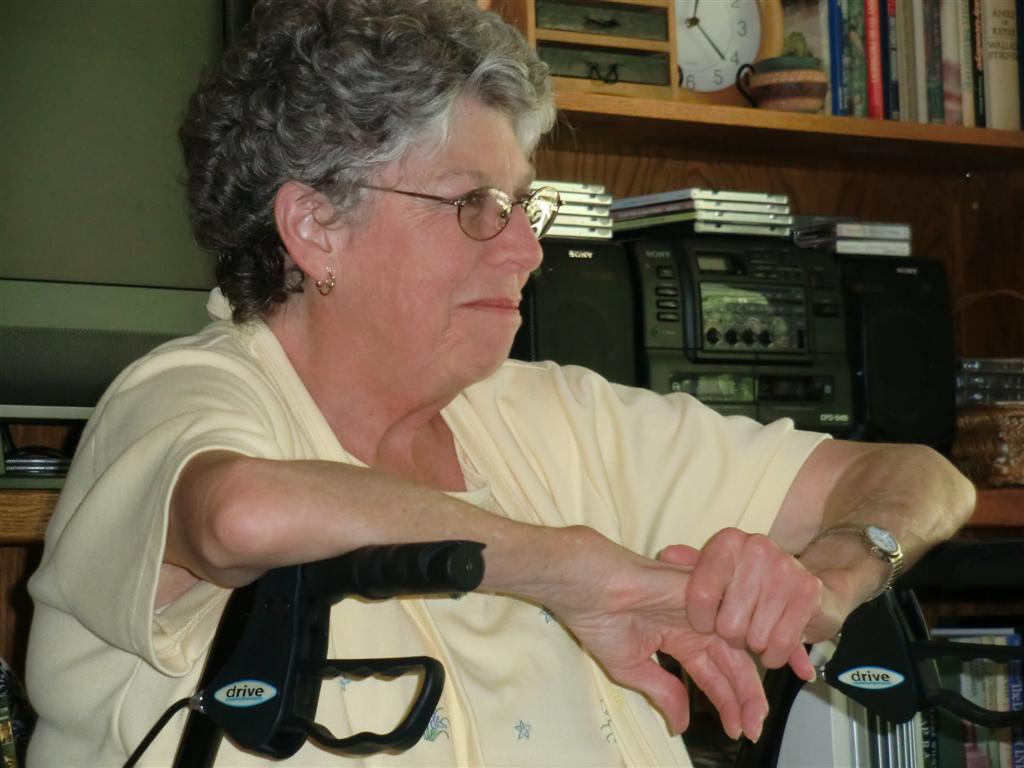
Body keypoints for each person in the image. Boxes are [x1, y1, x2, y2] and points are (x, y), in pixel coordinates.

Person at [25, 0, 975, 765]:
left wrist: (839, 570)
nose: (527, 249)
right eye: (474, 204)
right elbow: (243, 517)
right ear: (316, 227)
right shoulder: (183, 398)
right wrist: (577, 571)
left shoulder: (552, 413)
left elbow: (920, 477)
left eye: (523, 203)